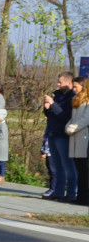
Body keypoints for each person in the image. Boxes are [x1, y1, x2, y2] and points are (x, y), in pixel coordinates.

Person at [43, 72, 77, 201]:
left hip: (63, 135)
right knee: (57, 166)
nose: (58, 84)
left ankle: (71, 193)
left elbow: (64, 116)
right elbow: (51, 113)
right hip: (52, 132)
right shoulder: (57, 95)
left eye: (60, 82)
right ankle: (58, 191)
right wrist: (47, 107)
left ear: (69, 83)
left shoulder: (71, 98)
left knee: (67, 165)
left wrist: (52, 104)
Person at [65, 76, 88, 206]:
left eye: (76, 87)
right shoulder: (76, 100)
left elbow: (85, 119)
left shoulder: (87, 100)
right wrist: (68, 126)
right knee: (79, 169)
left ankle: (85, 198)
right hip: (74, 137)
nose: (74, 89)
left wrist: (72, 128)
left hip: (83, 137)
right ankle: (80, 196)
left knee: (85, 170)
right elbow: (73, 118)